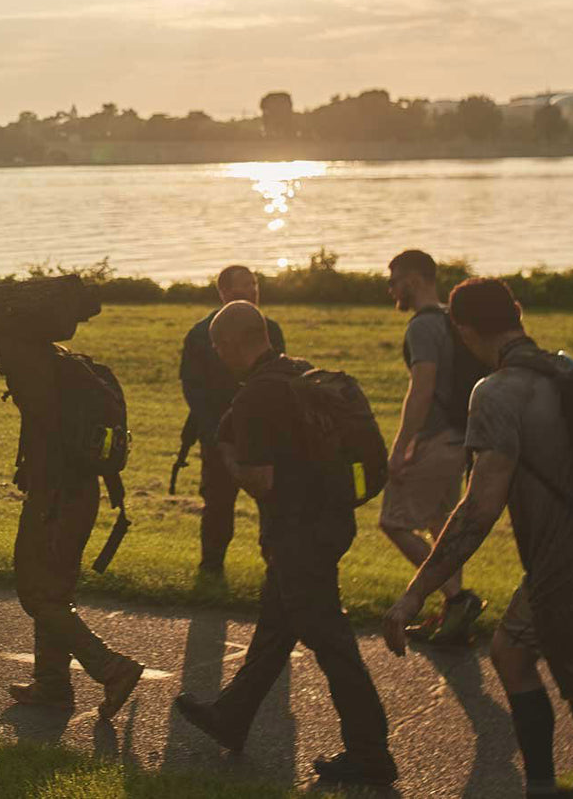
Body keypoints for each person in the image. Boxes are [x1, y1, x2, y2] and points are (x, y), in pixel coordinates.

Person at [381, 277, 573, 799]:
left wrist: (416, 592)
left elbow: (478, 509)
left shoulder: (497, 392)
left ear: (461, 328)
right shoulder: (564, 370)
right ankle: (542, 787)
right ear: (518, 313)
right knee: (511, 653)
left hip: (570, 567)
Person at [172, 301, 396, 786]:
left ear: (226, 346)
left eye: (217, 349)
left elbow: (261, 482)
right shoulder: (297, 372)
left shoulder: (256, 396)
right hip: (331, 523)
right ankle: (231, 717)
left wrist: (226, 451)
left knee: (329, 640)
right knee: (275, 629)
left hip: (298, 535)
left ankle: (371, 752)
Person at [0, 283, 145, 720]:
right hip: (81, 494)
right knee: (54, 591)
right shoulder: (65, 360)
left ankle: (110, 667)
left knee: (36, 593)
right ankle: (52, 687)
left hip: (54, 499)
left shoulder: (23, 355)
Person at [382, 250, 485, 644]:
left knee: (393, 521)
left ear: (412, 279)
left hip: (436, 438)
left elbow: (421, 389)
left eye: (393, 281)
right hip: (462, 438)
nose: (390, 289)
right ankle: (453, 619)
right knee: (441, 527)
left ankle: (458, 599)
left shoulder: (423, 326)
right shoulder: (453, 319)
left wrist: (401, 446)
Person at [179, 265, 285, 574]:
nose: (252, 292)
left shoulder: (271, 329)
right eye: (242, 287)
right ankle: (211, 568)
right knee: (217, 502)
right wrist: (217, 433)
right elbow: (193, 389)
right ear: (223, 292)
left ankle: (276, 568)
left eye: (254, 285)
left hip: (263, 434)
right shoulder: (200, 335)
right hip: (218, 434)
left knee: (271, 502)